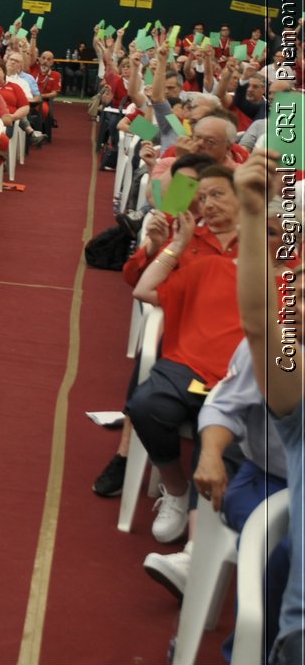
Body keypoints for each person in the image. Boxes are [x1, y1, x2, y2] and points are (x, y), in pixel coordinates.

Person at [126, 165, 246, 544]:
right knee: (145, 405)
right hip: (188, 350)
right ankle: (176, 490)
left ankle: (199, 539)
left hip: (244, 363)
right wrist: (159, 246)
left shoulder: (270, 244)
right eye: (203, 196)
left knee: (226, 427)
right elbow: (138, 283)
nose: (207, 204)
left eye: (217, 195)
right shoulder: (191, 240)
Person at [234, 150, 303, 665]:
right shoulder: (300, 396)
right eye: (295, 292)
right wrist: (253, 215)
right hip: (249, 448)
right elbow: (260, 326)